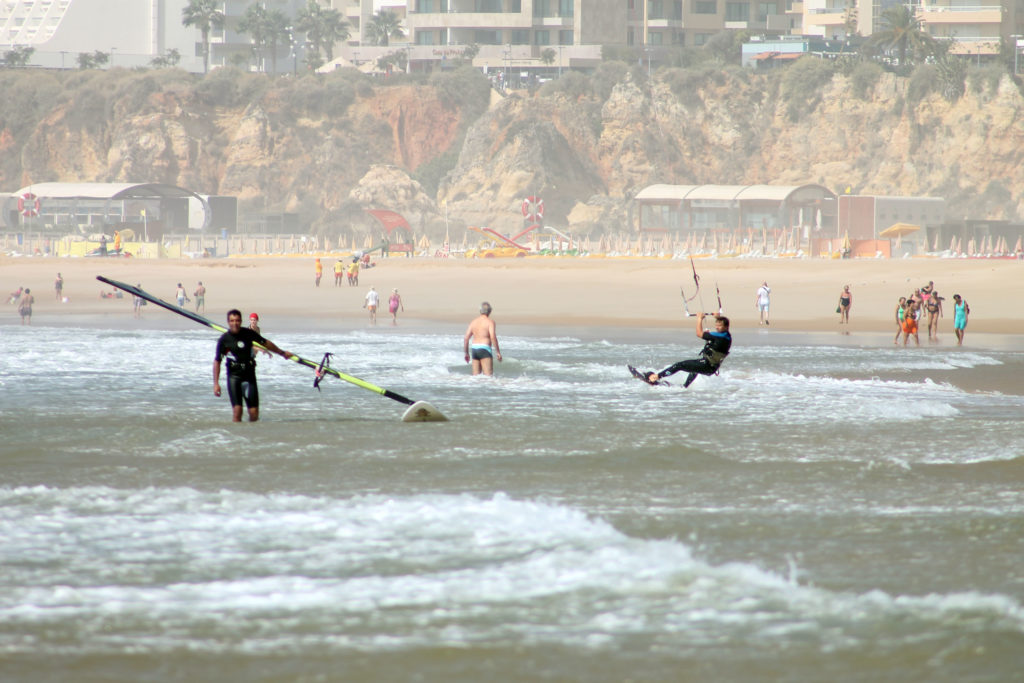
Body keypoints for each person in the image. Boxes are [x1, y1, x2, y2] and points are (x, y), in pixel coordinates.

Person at [213, 309, 291, 422]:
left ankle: (252, 438)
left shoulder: (248, 334)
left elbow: (265, 343)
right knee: (237, 412)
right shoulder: (224, 340)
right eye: (232, 320)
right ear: (228, 322)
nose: (235, 323)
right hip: (234, 377)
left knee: (254, 414)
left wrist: (282, 353)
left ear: (240, 321)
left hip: (249, 375)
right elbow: (217, 362)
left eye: (237, 320)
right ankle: (236, 438)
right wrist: (216, 384)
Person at [641, 313, 731, 388]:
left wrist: (699, 318)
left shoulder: (718, 336)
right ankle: (684, 387)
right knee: (694, 369)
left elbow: (699, 333)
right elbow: (715, 337)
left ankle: (655, 377)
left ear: (726, 327)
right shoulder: (727, 336)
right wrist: (716, 317)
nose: (717, 327)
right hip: (712, 368)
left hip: (706, 365)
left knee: (679, 365)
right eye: (716, 325)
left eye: (720, 326)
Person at [463, 301, 502, 375]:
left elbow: (466, 338)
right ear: (490, 311)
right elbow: (493, 337)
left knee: (476, 377)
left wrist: (466, 353)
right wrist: (498, 352)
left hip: (474, 349)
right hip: (485, 348)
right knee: (488, 376)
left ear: (480, 311)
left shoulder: (473, 322)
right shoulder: (490, 322)